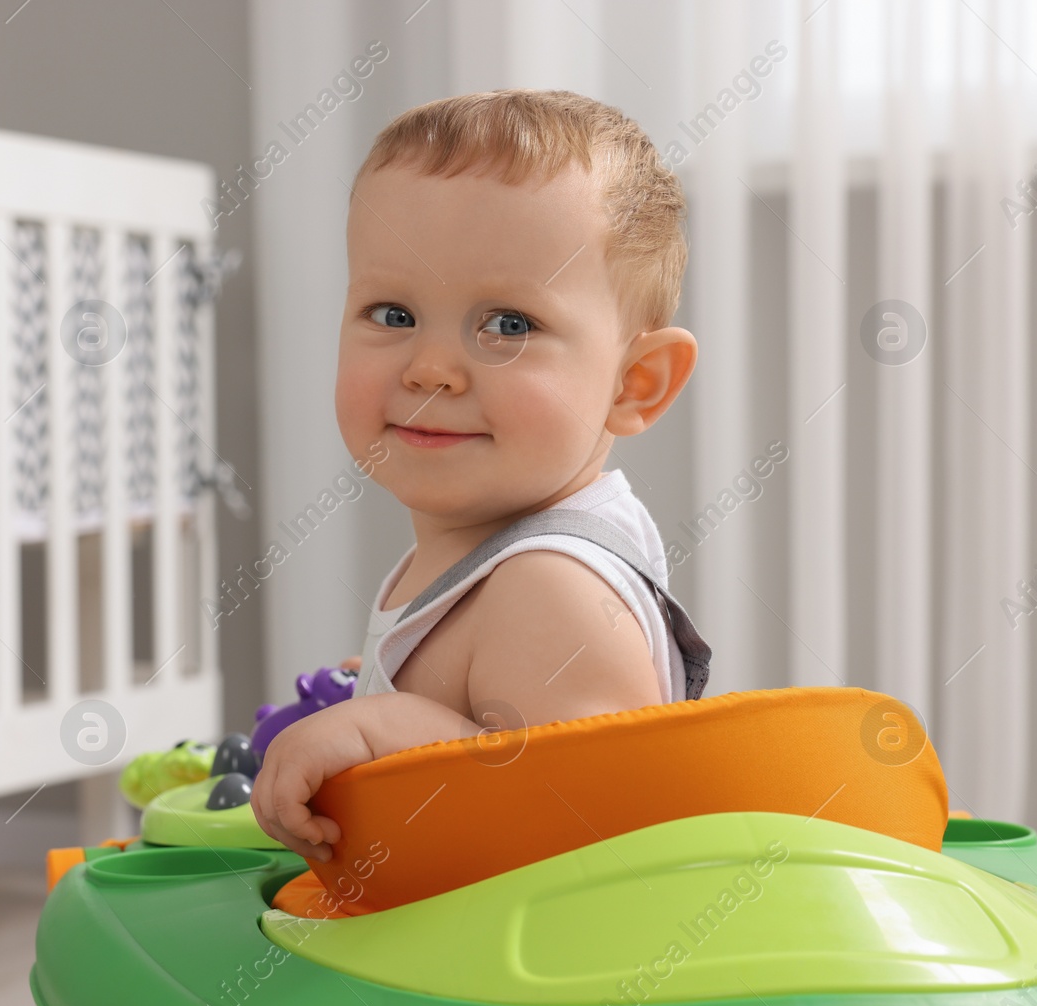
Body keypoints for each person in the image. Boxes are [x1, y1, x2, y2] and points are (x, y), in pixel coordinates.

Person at [251, 89, 710, 861]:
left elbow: (598, 837)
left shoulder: (551, 588)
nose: (432, 368)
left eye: (508, 325)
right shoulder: (493, 556)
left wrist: (393, 729)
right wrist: (394, 690)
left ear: (637, 383)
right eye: (393, 313)